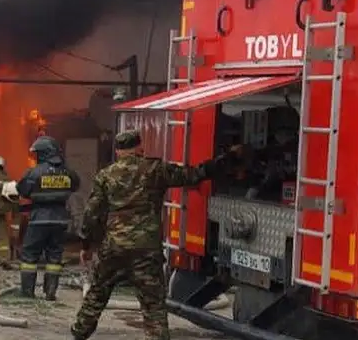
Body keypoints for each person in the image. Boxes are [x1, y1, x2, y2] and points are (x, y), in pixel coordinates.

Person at [70, 130, 246, 340]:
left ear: (118, 151)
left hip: (114, 247)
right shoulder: (156, 170)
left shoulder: (105, 176)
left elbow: (92, 215)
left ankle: (78, 334)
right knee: (153, 304)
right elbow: (195, 174)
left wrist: (86, 246)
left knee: (97, 294)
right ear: (140, 148)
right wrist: (230, 158)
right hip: (146, 249)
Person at [17, 135, 80, 300]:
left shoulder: (34, 172)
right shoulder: (68, 171)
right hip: (60, 220)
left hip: (39, 218)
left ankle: (27, 293)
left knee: (30, 255)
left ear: (44, 153)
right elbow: (76, 185)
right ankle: (50, 292)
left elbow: (22, 189)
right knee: (54, 256)